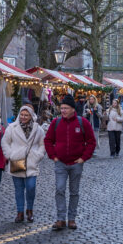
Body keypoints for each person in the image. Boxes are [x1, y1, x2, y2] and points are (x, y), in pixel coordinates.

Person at [44, 95, 96, 231]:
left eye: (66, 108)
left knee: (74, 192)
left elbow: (91, 142)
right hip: (60, 163)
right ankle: (60, 219)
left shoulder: (82, 123)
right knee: (59, 189)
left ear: (73, 109)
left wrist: (83, 158)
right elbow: (48, 140)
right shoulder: (56, 122)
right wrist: (53, 156)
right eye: (61, 108)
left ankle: (71, 218)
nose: (63, 110)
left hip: (76, 163)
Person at [1, 105, 47, 223]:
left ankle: (30, 210)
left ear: (31, 116)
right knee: (19, 189)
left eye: (26, 115)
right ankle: (20, 212)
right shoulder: (12, 128)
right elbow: (5, 142)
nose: (23, 117)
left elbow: (43, 144)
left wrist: (38, 155)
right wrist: (10, 155)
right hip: (17, 160)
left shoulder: (38, 129)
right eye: (22, 114)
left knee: (31, 187)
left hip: (32, 161)